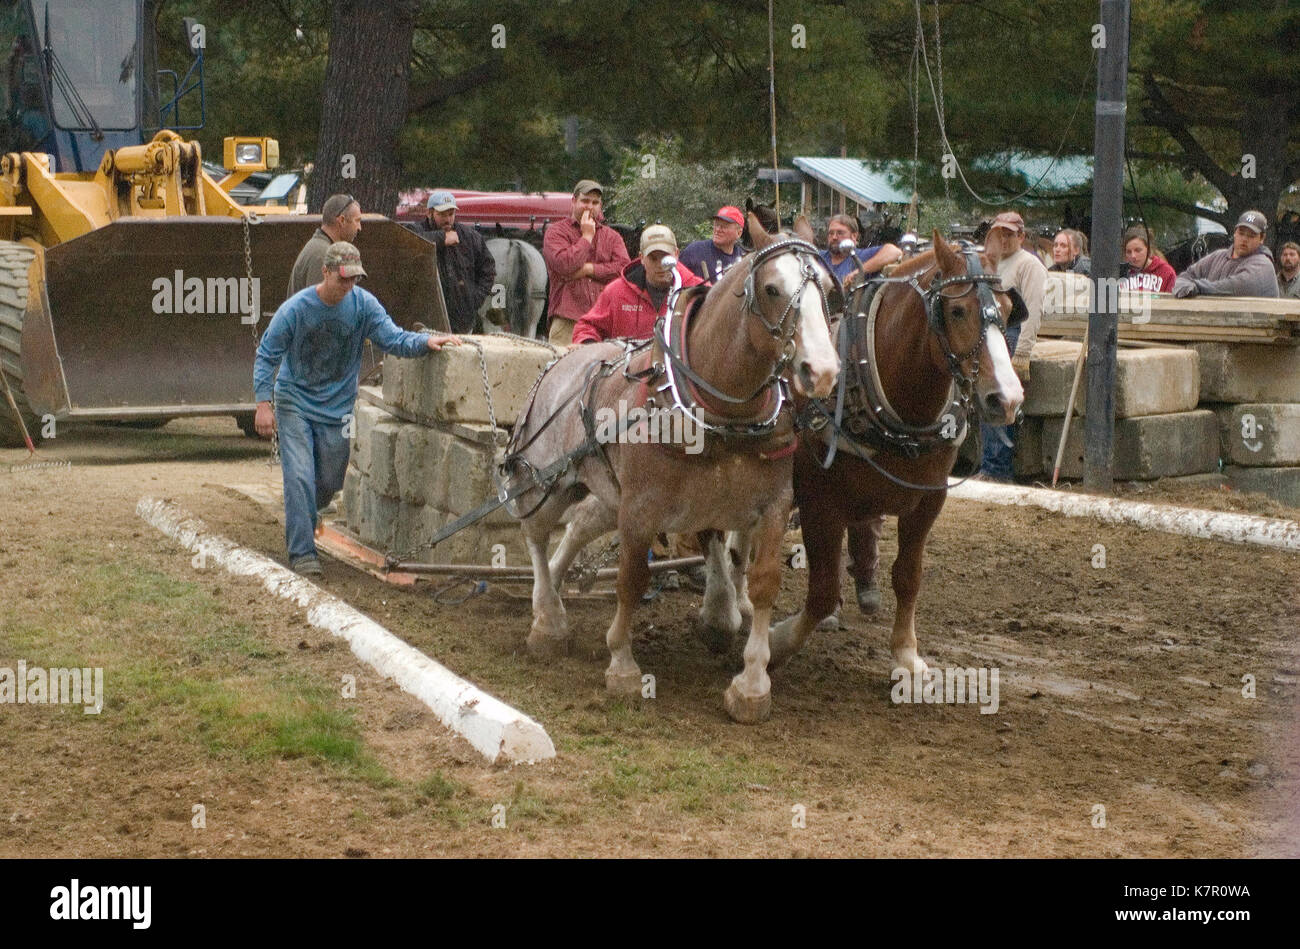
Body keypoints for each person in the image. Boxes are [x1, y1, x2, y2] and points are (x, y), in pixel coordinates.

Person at [254, 242, 460, 576]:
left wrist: (425, 342)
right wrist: (264, 404)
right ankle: (303, 554)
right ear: (326, 272)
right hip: (295, 401)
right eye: (343, 279)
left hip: (336, 408)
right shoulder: (296, 309)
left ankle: (307, 513)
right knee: (300, 476)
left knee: (330, 478)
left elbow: (392, 338)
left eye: (354, 280)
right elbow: (267, 354)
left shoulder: (363, 307)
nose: (348, 286)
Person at [979, 210, 1045, 482]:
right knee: (987, 398)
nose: (1004, 239)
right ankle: (989, 465)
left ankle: (998, 470)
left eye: (1009, 233)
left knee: (1001, 399)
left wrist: (1022, 353)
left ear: (1022, 236)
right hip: (991, 333)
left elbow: (1033, 309)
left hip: (1012, 333)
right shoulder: (991, 264)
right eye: (999, 233)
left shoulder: (1029, 265)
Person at [571, 225, 704, 344]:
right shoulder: (617, 292)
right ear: (641, 258)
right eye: (653, 258)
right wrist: (592, 347)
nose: (660, 264)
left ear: (676, 254)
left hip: (680, 368)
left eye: (665, 257)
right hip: (629, 368)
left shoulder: (699, 291)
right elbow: (587, 327)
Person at [542, 180, 630, 344]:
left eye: (595, 202)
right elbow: (565, 265)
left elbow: (624, 270)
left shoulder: (612, 237)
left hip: (604, 323)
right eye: (585, 201)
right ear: (574, 202)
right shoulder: (556, 232)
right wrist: (587, 237)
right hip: (567, 322)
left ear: (600, 206)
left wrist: (589, 269)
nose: (590, 206)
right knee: (563, 368)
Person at [421, 190, 496, 334]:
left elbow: (489, 270)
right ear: (429, 213)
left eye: (451, 214)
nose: (448, 219)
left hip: (462, 321)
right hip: (426, 320)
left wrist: (473, 299)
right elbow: (408, 241)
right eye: (442, 214)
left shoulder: (470, 237)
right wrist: (441, 238)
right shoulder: (417, 230)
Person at [1172, 210, 1279, 298]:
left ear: (1262, 238)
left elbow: (1231, 288)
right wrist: (1183, 284)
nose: (1244, 239)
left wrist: (1195, 286)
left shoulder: (1263, 265)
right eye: (1241, 233)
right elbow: (1186, 275)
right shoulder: (1218, 256)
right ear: (1235, 233)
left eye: (1251, 236)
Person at [288, 194, 362, 297]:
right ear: (342, 220)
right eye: (357, 221)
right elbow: (319, 308)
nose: (359, 228)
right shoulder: (323, 255)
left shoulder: (319, 247)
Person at [819, 214, 902, 282]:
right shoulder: (818, 257)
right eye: (831, 233)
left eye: (840, 233)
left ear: (854, 236)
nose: (834, 237)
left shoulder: (861, 256)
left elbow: (894, 252)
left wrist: (860, 271)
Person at [679, 206, 746, 282]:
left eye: (724, 226)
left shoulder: (743, 260)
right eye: (716, 225)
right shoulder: (695, 251)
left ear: (739, 233)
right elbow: (675, 281)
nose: (718, 229)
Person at [1119, 225, 1176, 292]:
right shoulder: (1120, 272)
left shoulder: (1167, 272)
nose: (1133, 256)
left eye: (1138, 250)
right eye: (1128, 252)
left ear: (1148, 249)